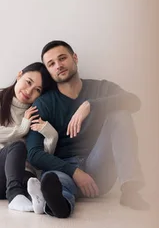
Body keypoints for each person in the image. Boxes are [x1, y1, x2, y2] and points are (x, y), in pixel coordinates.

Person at [25, 40, 150, 218]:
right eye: (51, 64)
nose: (58, 65)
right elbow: (34, 153)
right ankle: (59, 205)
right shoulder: (44, 103)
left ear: (74, 58)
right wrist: (75, 172)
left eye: (62, 58)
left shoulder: (100, 88)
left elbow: (134, 101)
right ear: (48, 71)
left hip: (98, 169)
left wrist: (91, 105)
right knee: (56, 182)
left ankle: (130, 190)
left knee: (120, 115)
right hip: (64, 169)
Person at [0, 62, 58, 213]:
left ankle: (42, 201)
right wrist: (22, 129)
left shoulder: (34, 113)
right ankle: (15, 196)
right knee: (17, 146)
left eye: (37, 90)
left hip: (16, 177)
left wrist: (51, 134)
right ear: (19, 75)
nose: (29, 91)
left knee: (31, 179)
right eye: (28, 82)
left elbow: (39, 156)